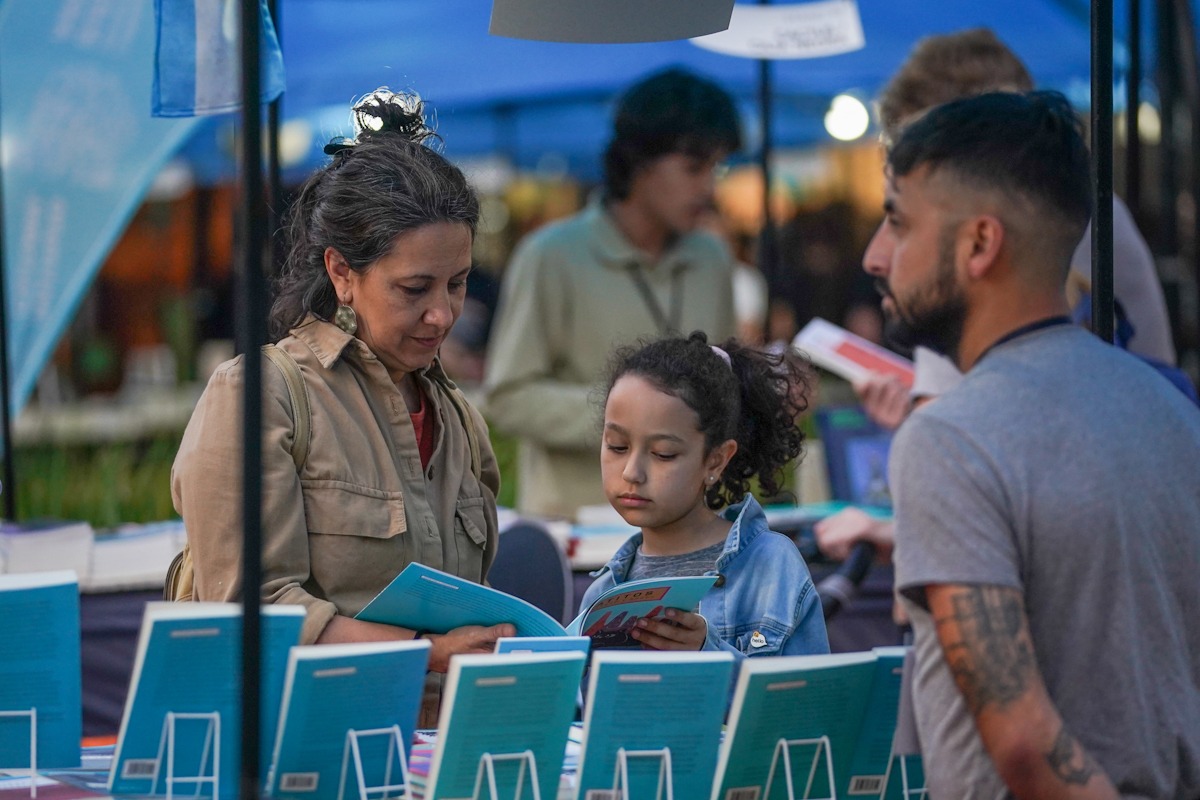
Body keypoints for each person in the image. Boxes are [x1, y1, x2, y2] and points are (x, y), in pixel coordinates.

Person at [877, 90, 1200, 799]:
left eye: (898, 223)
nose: (875, 256)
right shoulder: (1172, 410)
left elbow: (1024, 745)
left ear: (979, 244)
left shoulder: (950, 438)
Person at [171, 91, 515, 726]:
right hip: (307, 746)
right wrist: (428, 654)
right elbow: (252, 610)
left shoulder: (460, 419)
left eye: (458, 283)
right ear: (341, 272)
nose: (442, 314)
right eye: (414, 289)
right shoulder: (260, 396)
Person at [483, 68, 740, 518]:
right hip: (578, 529)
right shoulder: (551, 255)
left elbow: (723, 382)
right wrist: (637, 415)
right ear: (640, 162)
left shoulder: (712, 258)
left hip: (693, 530)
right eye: (695, 167)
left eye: (718, 168)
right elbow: (508, 397)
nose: (709, 187)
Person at [579, 332, 829, 658]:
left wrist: (709, 656)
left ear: (715, 460)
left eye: (663, 453)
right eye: (617, 446)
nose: (631, 472)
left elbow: (809, 700)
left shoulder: (771, 567)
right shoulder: (602, 594)